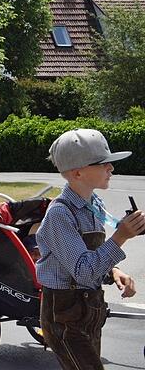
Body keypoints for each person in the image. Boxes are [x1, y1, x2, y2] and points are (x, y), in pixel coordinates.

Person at [37, 128, 144, 370]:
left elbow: (90, 254)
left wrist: (114, 270)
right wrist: (120, 237)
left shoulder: (94, 203)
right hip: (64, 315)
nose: (111, 169)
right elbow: (83, 271)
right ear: (78, 173)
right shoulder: (60, 214)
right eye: (103, 163)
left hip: (90, 310)